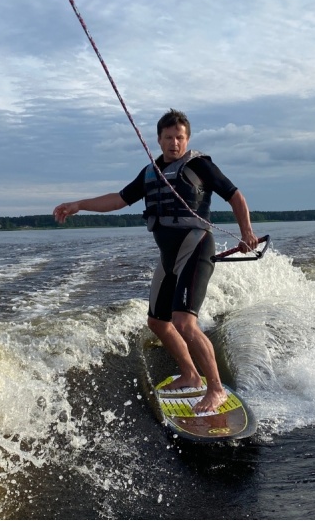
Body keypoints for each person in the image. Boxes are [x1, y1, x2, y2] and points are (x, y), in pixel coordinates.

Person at [53, 109, 259, 413]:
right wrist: (79, 205)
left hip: (196, 247)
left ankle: (215, 389)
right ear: (159, 140)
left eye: (180, 137)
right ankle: (190, 375)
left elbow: (236, 196)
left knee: (184, 322)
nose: (174, 143)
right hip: (168, 257)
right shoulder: (150, 172)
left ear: (187, 139)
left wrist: (246, 232)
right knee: (157, 322)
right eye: (168, 138)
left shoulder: (200, 165)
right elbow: (118, 199)